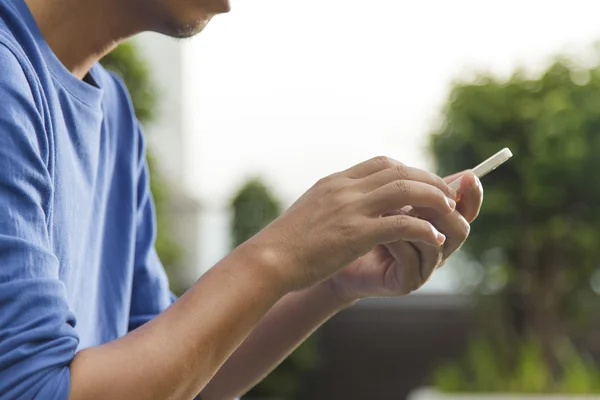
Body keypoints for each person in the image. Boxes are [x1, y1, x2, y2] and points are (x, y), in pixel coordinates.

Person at [0, 0, 484, 399]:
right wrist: (281, 252)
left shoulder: (115, 115)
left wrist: (333, 280)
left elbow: (174, 375)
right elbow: (38, 391)